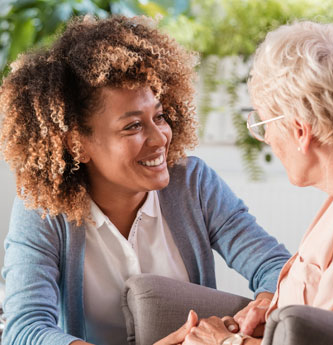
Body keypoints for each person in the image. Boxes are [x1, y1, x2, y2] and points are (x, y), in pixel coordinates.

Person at [0, 15, 290, 345]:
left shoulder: (194, 184)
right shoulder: (42, 210)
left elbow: (276, 267)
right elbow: (24, 329)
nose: (160, 137)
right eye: (133, 126)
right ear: (77, 144)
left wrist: (262, 307)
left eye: (160, 116)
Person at [161, 20, 333, 345]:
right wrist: (270, 315)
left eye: (264, 122)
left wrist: (224, 342)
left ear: (300, 131)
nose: (265, 137)